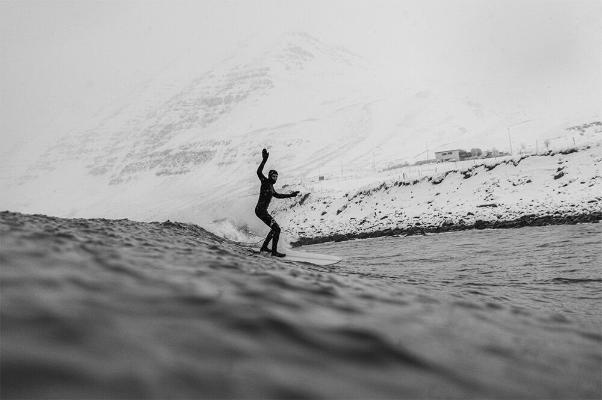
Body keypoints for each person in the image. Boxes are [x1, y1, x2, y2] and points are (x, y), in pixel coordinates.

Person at [255, 148, 299, 257]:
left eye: (276, 177)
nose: (275, 178)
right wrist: (264, 160)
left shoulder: (271, 187)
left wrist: (291, 195)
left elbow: (278, 195)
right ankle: (273, 252)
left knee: (274, 229)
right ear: (270, 176)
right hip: (260, 211)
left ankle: (264, 247)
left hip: (262, 211)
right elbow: (258, 172)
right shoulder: (265, 182)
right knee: (277, 229)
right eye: (273, 176)